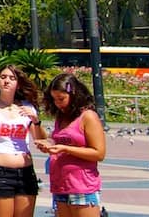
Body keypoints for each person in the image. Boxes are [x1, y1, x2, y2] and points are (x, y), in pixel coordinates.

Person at [0, 65, 45, 217]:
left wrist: (36, 121)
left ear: (18, 83)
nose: (7, 81)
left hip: (25, 172)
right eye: (3, 77)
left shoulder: (27, 107)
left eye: (12, 78)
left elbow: (40, 140)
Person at [39, 73, 106, 217]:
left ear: (73, 94)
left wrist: (66, 149)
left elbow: (99, 153)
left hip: (82, 185)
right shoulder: (61, 117)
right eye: (54, 99)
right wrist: (48, 143)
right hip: (61, 184)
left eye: (61, 99)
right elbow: (57, 139)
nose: (58, 103)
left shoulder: (88, 116)